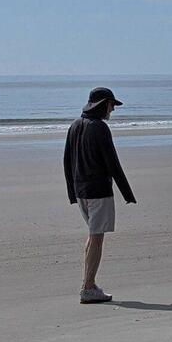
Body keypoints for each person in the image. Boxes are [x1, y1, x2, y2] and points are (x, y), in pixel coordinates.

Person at [63, 86, 136, 304]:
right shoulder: (100, 128)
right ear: (104, 104)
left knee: (92, 235)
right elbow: (112, 162)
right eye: (112, 105)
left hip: (81, 190)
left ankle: (89, 284)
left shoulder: (74, 126)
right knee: (97, 238)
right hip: (98, 191)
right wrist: (127, 192)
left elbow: (67, 161)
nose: (112, 110)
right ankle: (88, 287)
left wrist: (72, 192)